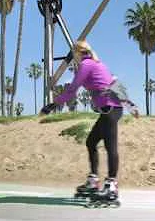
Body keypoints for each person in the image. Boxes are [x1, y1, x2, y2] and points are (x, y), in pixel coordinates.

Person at [40, 39, 139, 200]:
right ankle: (94, 180)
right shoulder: (97, 64)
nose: (73, 57)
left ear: (78, 53)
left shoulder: (87, 65)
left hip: (110, 109)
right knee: (91, 142)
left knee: (110, 146)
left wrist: (52, 105)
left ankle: (112, 184)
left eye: (74, 53)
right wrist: (131, 106)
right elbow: (114, 82)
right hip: (111, 109)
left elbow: (72, 90)